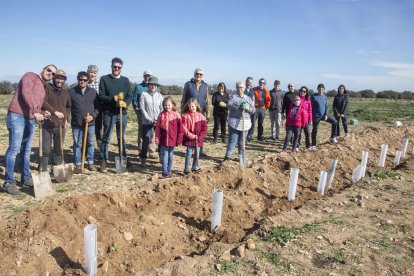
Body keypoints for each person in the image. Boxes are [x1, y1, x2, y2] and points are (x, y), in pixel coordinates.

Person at [2, 64, 55, 195]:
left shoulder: (43, 88)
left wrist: (43, 112)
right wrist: (36, 110)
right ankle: (8, 182)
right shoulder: (29, 76)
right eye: (49, 70)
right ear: (43, 69)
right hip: (17, 116)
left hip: (30, 119)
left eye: (53, 74)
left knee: (26, 151)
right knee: (14, 149)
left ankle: (25, 178)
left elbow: (37, 105)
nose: (50, 74)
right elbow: (26, 93)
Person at [98, 57, 131, 172]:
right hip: (109, 114)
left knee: (121, 137)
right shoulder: (104, 79)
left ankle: (123, 159)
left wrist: (125, 103)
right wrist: (113, 99)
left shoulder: (126, 81)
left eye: (118, 67)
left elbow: (129, 96)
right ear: (111, 66)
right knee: (106, 138)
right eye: (114, 66)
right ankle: (103, 160)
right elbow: (101, 96)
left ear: (121, 68)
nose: (116, 68)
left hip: (122, 114)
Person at [41, 69, 71, 172]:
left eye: (62, 79)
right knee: (46, 150)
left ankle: (56, 169)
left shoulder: (66, 92)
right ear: (54, 78)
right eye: (58, 78)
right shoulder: (47, 88)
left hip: (60, 124)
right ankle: (43, 170)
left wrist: (65, 118)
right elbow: (43, 102)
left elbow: (68, 106)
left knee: (58, 149)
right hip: (48, 123)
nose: (60, 80)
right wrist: (54, 112)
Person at [69, 71, 100, 173]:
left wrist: (93, 116)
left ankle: (90, 162)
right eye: (80, 79)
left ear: (87, 81)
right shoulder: (71, 91)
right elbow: (67, 106)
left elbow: (98, 107)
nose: (82, 81)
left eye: (85, 80)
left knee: (90, 143)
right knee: (77, 144)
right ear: (78, 79)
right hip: (76, 123)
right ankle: (78, 164)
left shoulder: (93, 92)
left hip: (90, 123)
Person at [224, 81, 255, 161]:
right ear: (236, 88)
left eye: (241, 87)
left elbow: (253, 110)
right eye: (238, 87)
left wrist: (248, 108)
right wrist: (238, 104)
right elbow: (229, 105)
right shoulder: (233, 97)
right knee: (233, 141)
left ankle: (241, 157)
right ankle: (227, 156)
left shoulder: (248, 98)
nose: (240, 89)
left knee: (242, 142)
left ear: (244, 88)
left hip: (245, 122)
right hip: (234, 122)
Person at [181, 68, 209, 156]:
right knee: (190, 130)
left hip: (201, 113)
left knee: (200, 131)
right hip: (189, 112)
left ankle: (199, 150)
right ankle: (189, 150)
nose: (199, 76)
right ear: (194, 74)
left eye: (201, 74)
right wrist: (182, 112)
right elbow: (183, 98)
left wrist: (207, 114)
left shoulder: (205, 86)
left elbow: (207, 100)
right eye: (197, 74)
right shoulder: (188, 84)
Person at [132, 69, 160, 152]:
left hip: (154, 113)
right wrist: (137, 107)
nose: (147, 77)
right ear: (143, 76)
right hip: (141, 112)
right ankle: (141, 146)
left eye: (149, 76)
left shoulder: (156, 87)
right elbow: (134, 99)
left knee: (153, 130)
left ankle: (151, 148)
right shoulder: (139, 87)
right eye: (146, 75)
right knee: (142, 129)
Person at [155, 96, 182, 178]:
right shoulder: (161, 115)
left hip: (172, 140)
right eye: (165, 105)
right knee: (164, 155)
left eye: (169, 105)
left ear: (173, 105)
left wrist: (179, 139)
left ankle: (169, 171)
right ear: (163, 105)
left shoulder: (176, 115)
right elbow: (158, 128)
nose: (167, 107)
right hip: (163, 140)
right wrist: (157, 138)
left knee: (170, 155)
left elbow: (180, 128)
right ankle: (164, 171)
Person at [140, 76, 163, 166]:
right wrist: (149, 119)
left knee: (160, 140)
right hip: (147, 122)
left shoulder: (159, 96)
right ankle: (143, 158)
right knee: (146, 139)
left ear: (157, 86)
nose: (153, 86)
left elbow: (162, 108)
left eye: (155, 85)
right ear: (148, 85)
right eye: (151, 84)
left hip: (158, 121)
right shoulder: (144, 95)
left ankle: (162, 157)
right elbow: (142, 108)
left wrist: (158, 119)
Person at [181, 98, 208, 174]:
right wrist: (191, 136)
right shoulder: (185, 116)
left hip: (198, 140)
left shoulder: (201, 117)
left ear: (196, 106)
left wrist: (200, 137)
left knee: (197, 154)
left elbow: (204, 128)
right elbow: (184, 128)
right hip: (189, 139)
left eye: (193, 106)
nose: (191, 108)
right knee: (189, 154)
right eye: (189, 107)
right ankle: (186, 170)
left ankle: (195, 167)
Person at [311, 83, 338, 149]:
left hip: (324, 115)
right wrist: (311, 117)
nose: (321, 90)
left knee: (335, 121)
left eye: (322, 89)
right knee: (314, 130)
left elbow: (326, 106)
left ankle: (333, 137)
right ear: (317, 89)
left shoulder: (325, 97)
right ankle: (313, 144)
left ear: (324, 90)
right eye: (319, 89)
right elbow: (310, 107)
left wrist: (326, 114)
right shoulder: (313, 96)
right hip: (316, 116)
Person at [86, 65, 102, 148]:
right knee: (88, 132)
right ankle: (86, 152)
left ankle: (100, 152)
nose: (92, 74)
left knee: (99, 132)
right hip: (88, 111)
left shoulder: (100, 84)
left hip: (99, 111)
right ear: (88, 72)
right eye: (91, 72)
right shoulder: (85, 83)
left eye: (94, 73)